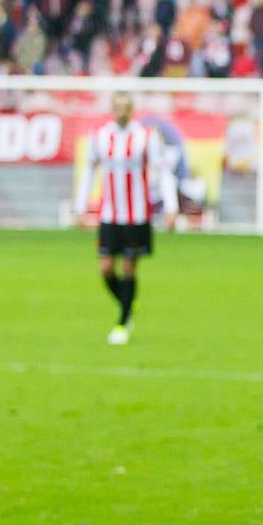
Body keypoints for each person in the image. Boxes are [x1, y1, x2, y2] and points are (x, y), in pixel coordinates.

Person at [74, 90, 177, 346]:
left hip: (137, 215)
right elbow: (89, 172)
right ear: (112, 109)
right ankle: (128, 303)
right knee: (106, 268)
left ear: (131, 110)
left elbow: (163, 172)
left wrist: (171, 207)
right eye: (117, 107)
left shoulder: (146, 137)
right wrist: (81, 206)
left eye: (125, 107)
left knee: (129, 267)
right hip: (109, 214)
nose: (121, 111)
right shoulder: (100, 136)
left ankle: (122, 323)